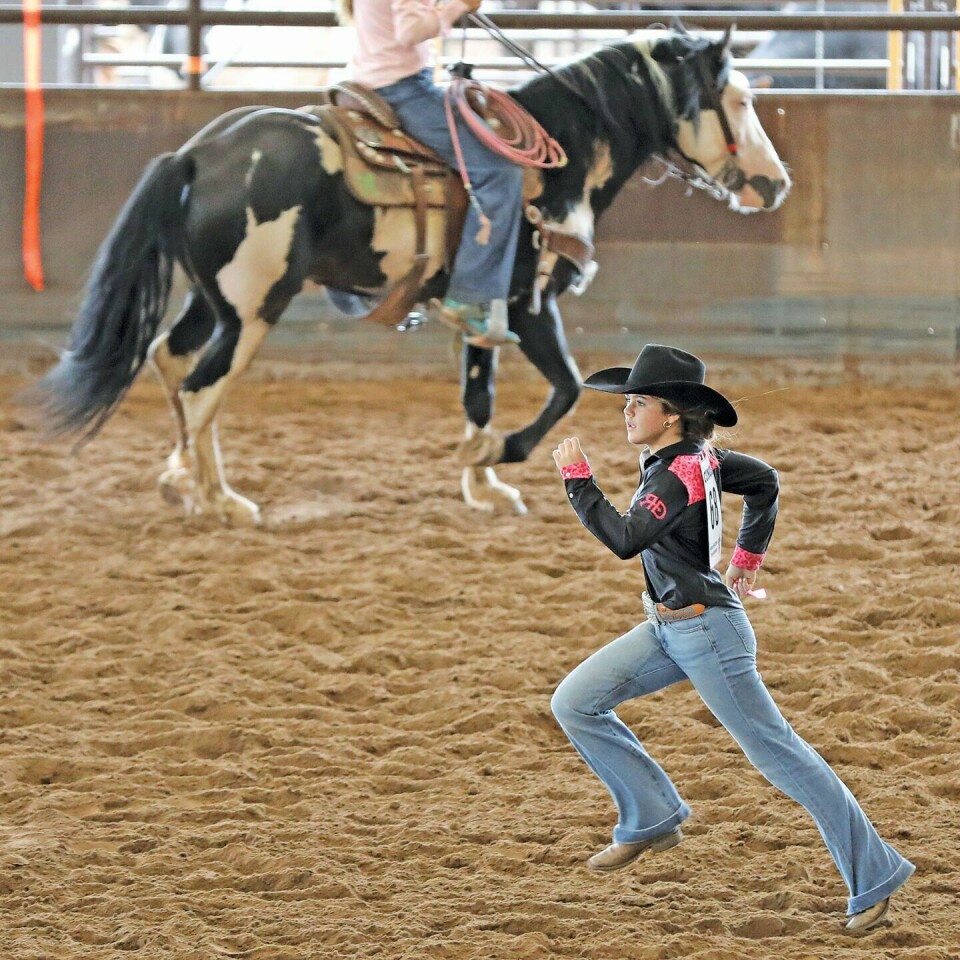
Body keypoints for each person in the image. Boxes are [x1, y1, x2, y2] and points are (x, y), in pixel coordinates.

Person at [549, 343, 914, 934]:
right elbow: (765, 481)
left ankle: (876, 875)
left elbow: (625, 538)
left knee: (782, 756)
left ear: (670, 414)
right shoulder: (696, 459)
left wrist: (578, 481)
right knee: (575, 702)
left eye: (638, 402)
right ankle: (652, 817)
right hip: (670, 626)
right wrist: (747, 556)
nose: (626, 411)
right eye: (628, 401)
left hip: (707, 634)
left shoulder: (676, 473)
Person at [338, 0, 523, 347]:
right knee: (499, 172)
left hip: (367, 80)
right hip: (403, 88)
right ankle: (469, 296)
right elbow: (410, 31)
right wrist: (456, 6)